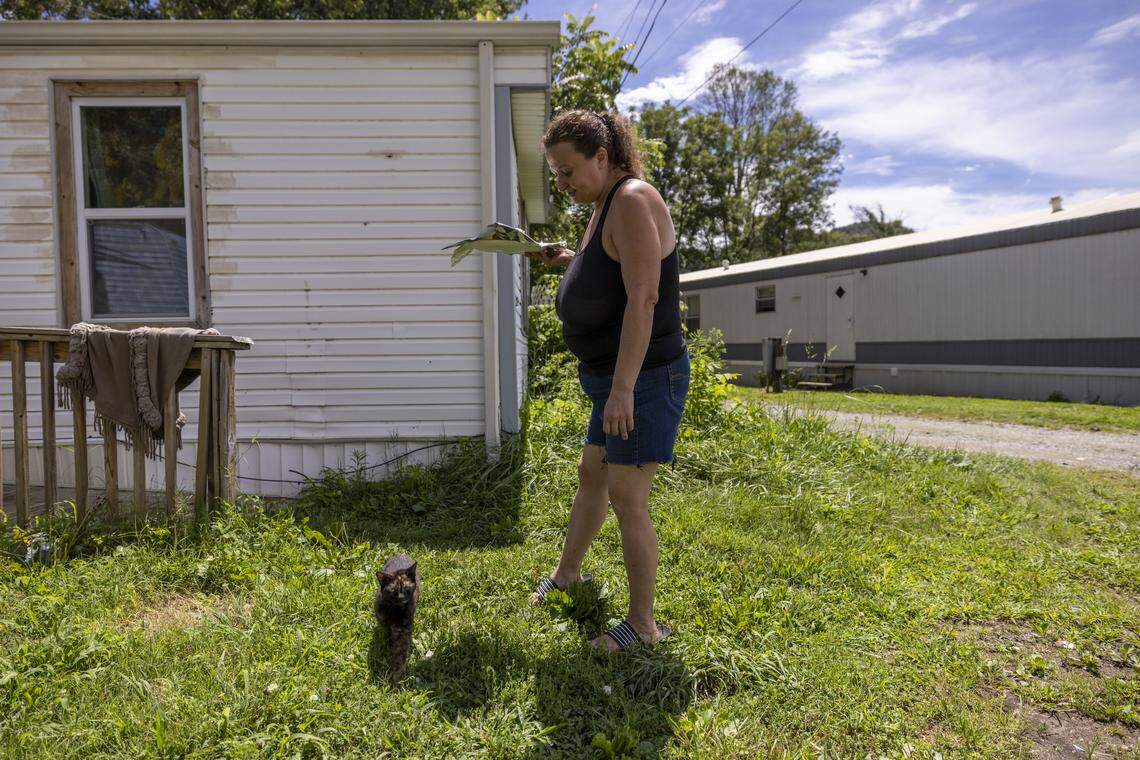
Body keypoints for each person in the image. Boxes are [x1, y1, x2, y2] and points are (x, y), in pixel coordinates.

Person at [527, 109, 690, 652]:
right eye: (555, 173)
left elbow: (645, 297)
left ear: (603, 157)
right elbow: (614, 272)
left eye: (568, 170)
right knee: (592, 474)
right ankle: (569, 574)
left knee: (626, 494)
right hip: (613, 378)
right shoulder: (603, 206)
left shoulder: (634, 199)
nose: (562, 182)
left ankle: (643, 627)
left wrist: (623, 389)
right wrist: (571, 261)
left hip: (642, 377)